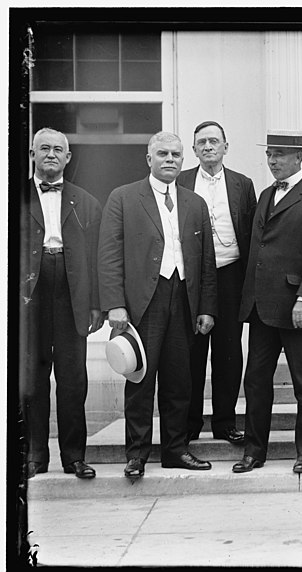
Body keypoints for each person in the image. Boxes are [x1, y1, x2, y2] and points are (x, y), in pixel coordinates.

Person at [99, 131, 217, 478]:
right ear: (149, 159)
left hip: (183, 300)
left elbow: (206, 261)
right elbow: (108, 257)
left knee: (180, 381)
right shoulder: (123, 198)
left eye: (176, 154)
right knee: (140, 379)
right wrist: (115, 306)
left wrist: (206, 307)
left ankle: (175, 450)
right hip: (141, 304)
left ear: (184, 160)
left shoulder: (194, 203)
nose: (170, 159)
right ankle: (137, 455)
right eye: (162, 153)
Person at [233, 130, 302, 474]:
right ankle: (254, 451)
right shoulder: (265, 195)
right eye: (269, 155)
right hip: (262, 309)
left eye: (279, 154)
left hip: (297, 309)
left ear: (298, 157)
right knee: (256, 383)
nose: (273, 161)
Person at [20, 127, 103, 479]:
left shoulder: (86, 201)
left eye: (58, 150)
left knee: (73, 380)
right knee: (33, 380)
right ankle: (36, 456)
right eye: (44, 149)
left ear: (68, 158)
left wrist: (97, 304)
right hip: (30, 297)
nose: (51, 154)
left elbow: (100, 258)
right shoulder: (14, 196)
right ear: (32, 155)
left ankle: (74, 457)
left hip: (72, 293)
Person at [177, 121, 257, 445]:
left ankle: (225, 423)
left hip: (230, 274)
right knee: (191, 353)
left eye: (214, 141)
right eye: (202, 142)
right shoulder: (181, 181)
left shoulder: (243, 184)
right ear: (194, 150)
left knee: (228, 353)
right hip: (191, 279)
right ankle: (189, 423)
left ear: (226, 146)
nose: (208, 147)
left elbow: (251, 233)